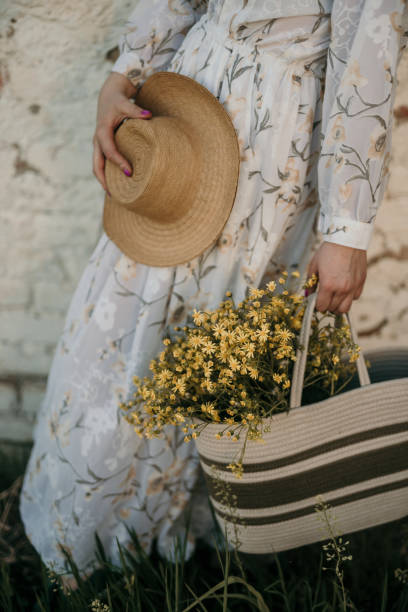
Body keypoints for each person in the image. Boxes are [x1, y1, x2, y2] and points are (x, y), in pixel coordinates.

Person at [20, 0, 408, 585]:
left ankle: (188, 531)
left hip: (273, 137)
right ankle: (92, 533)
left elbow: (368, 49)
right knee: (128, 317)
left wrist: (346, 227)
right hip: (189, 109)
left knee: (219, 342)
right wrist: (123, 75)